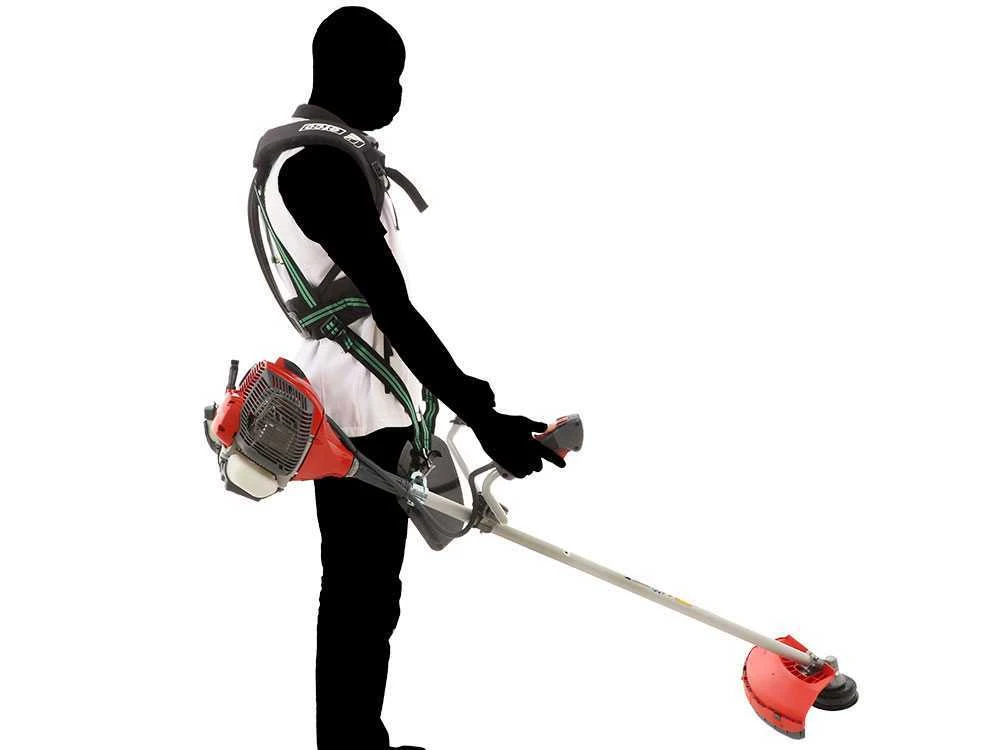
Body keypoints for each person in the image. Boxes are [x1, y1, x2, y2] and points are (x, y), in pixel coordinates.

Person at [258, 7, 564, 749]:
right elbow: (391, 308)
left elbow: (378, 308)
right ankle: (351, 746)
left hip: (356, 401)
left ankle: (355, 740)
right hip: (357, 415)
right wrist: (483, 415)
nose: (398, 93)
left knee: (364, 592)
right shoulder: (317, 167)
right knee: (360, 593)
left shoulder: (306, 160)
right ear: (350, 73)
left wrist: (475, 410)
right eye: (389, 77)